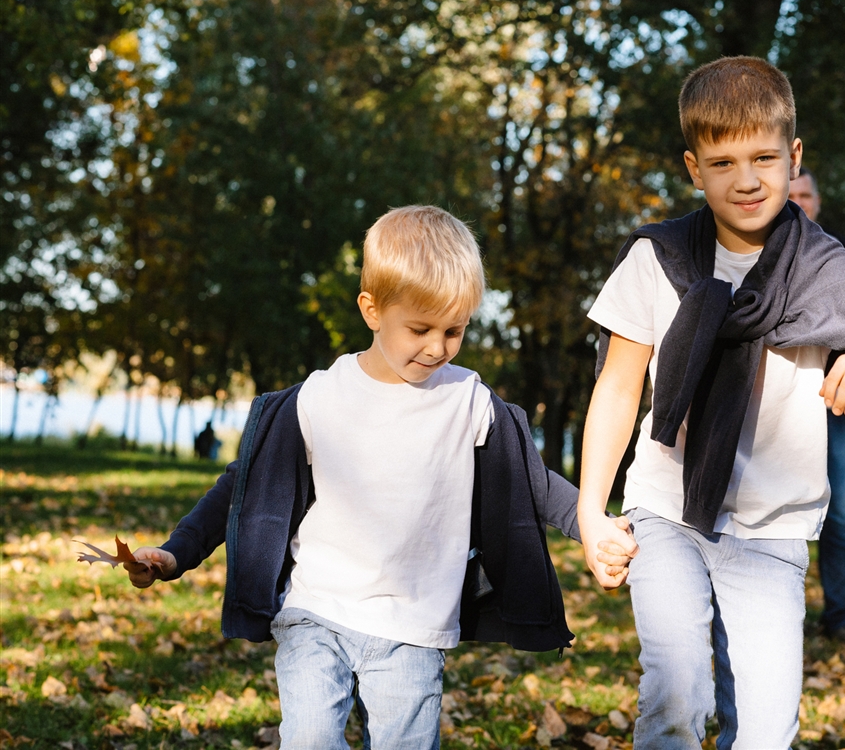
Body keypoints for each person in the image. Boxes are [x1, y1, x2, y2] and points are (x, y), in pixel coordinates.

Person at [123, 206, 634, 749]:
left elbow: (533, 483)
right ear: (372, 309)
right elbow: (242, 485)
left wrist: (592, 523)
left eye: (454, 330)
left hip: (413, 627)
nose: (437, 347)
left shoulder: (468, 402)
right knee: (311, 739)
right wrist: (177, 552)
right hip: (316, 611)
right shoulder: (321, 397)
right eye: (420, 328)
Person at [576, 56, 845, 749]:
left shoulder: (822, 265)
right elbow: (617, 386)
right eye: (723, 161)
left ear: (794, 158)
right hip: (665, 511)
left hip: (772, 529)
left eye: (764, 157)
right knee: (677, 698)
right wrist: (591, 509)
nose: (746, 179)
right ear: (692, 166)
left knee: (767, 730)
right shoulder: (659, 257)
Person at [788, 168, 845, 643]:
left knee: (840, 516)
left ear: (817, 202)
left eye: (805, 194)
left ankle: (840, 616)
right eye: (791, 192)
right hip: (768, 409)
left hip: (829, 405)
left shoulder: (835, 261)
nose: (797, 200)